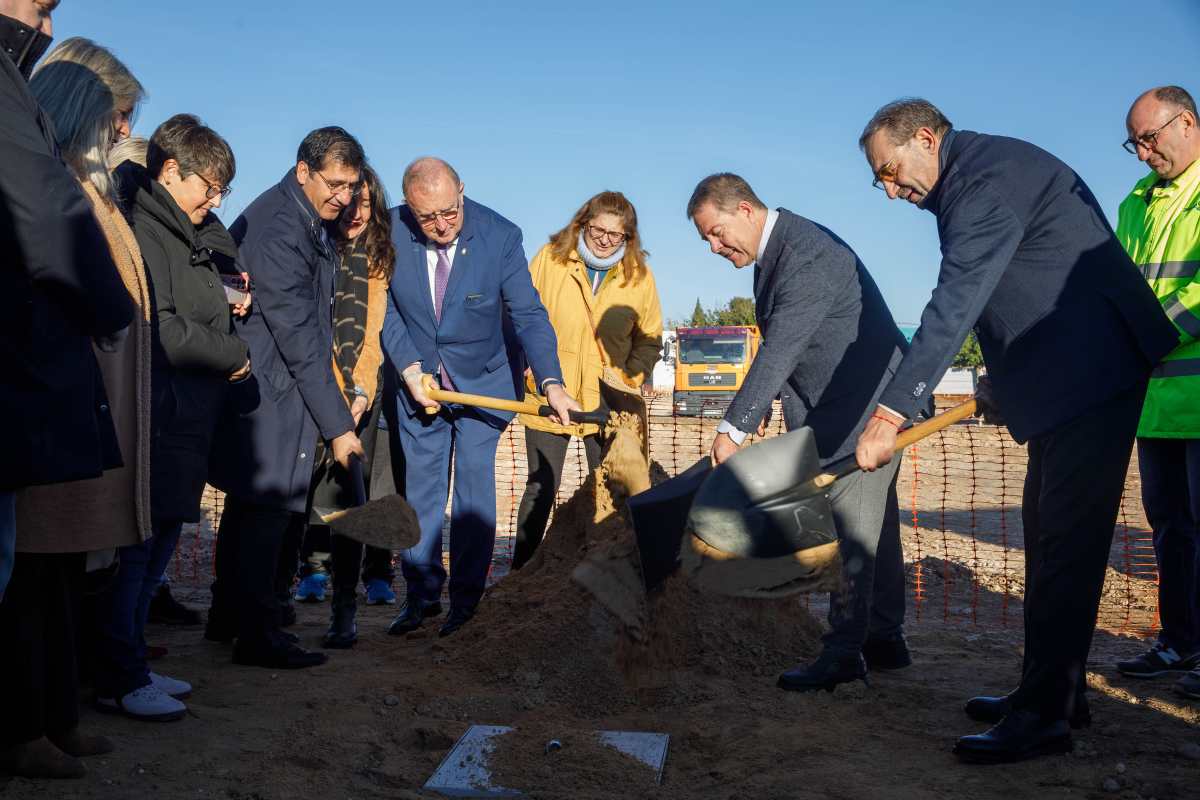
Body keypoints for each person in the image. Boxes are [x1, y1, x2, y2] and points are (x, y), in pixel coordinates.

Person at [855, 98, 1178, 763]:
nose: (891, 191)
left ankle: (1044, 719)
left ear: (925, 137)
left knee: (1065, 548)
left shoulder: (983, 180)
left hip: (1095, 374)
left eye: (890, 171)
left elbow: (955, 299)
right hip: (1075, 374)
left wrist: (891, 413)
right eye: (879, 181)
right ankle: (1054, 692)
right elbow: (1021, 286)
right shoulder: (980, 175)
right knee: (1048, 537)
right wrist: (999, 379)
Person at [687, 173, 913, 691]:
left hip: (864, 410)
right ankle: (884, 638)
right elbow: (796, 345)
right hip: (837, 407)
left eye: (717, 233)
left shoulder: (806, 253)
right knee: (879, 528)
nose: (714, 247)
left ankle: (843, 654)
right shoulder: (775, 257)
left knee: (850, 528)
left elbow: (781, 345)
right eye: (706, 240)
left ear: (744, 209)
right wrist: (769, 403)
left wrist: (734, 427)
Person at [1, 33, 148, 779]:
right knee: (31, 575)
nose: (121, 133)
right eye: (114, 117)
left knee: (60, 579)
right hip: (42, 394)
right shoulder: (47, 187)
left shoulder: (87, 188)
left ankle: (56, 715)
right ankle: (25, 724)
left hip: (77, 402)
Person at [381, 157, 579, 637]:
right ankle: (422, 593)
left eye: (450, 212)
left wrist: (551, 381)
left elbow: (529, 313)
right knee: (421, 495)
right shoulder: (386, 232)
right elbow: (380, 307)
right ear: (410, 208)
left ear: (462, 192)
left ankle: (466, 601)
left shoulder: (500, 236)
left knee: (473, 490)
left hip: (485, 382)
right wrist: (409, 369)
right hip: (418, 382)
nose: (442, 225)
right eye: (428, 218)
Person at [91, 114, 247, 721]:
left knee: (156, 552)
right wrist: (234, 352)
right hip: (160, 412)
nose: (215, 199)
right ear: (171, 170)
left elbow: (199, 304)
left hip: (185, 417)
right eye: (209, 185)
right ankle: (118, 675)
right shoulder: (147, 231)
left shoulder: (186, 231)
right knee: (136, 553)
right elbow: (164, 327)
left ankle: (132, 661)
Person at [207, 127, 366, 670]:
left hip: (270, 385)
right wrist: (339, 427)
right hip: (272, 390)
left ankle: (228, 614)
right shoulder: (281, 228)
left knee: (252, 509)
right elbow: (299, 337)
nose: (343, 197)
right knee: (267, 512)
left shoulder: (303, 218)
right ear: (304, 170)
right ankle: (257, 634)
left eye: (352, 187)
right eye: (335, 183)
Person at [279, 164, 399, 649]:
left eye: (366, 204)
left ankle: (343, 607)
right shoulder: (313, 247)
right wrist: (324, 393)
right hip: (307, 390)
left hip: (358, 398)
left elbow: (372, 334)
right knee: (295, 498)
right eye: (350, 202)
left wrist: (360, 393)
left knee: (351, 501)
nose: (356, 213)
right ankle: (280, 593)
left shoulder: (377, 261)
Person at [512, 191, 663, 570]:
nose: (606, 240)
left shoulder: (639, 276)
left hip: (608, 403)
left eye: (618, 235)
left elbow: (649, 338)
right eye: (599, 230)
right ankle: (521, 571)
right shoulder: (550, 260)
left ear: (629, 237)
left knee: (612, 492)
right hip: (549, 395)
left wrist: (628, 379)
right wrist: (529, 365)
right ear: (582, 223)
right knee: (539, 488)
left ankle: (609, 572)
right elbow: (520, 315)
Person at [1113, 86, 1200, 701]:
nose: (1143, 153)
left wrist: (1144, 336)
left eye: (1151, 138)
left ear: (1187, 122)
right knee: (1169, 528)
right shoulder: (1134, 205)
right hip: (1155, 406)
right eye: (1135, 143)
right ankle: (1180, 642)